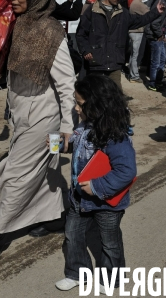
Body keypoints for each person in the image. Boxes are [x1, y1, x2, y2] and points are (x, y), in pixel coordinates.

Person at [0, 0, 76, 261]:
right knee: (48, 166)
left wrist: (67, 126)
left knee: (11, 175)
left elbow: (66, 83)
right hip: (23, 116)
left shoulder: (52, 32)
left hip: (45, 121)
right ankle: (54, 217)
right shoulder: (17, 24)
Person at [54, 74, 136, 292]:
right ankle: (77, 272)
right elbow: (77, 146)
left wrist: (98, 187)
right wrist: (59, 146)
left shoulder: (116, 137)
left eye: (80, 104)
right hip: (80, 197)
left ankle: (111, 278)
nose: (76, 109)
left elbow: (126, 171)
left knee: (109, 242)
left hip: (106, 202)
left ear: (97, 105)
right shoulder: (85, 126)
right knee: (72, 235)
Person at [76, 0, 164, 94]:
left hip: (114, 62)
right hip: (95, 62)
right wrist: (85, 50)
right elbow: (81, 33)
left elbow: (140, 20)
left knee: (116, 95)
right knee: (95, 95)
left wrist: (156, 12)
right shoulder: (92, 11)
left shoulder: (123, 13)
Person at [145, 0, 166, 91]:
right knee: (156, 61)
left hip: (158, 37)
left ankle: (158, 81)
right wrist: (160, 35)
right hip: (155, 37)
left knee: (161, 59)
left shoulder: (162, 2)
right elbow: (155, 23)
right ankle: (152, 83)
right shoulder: (161, 4)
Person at [128, 0, 150, 83]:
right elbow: (150, 13)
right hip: (136, 32)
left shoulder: (135, 2)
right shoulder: (138, 4)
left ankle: (132, 74)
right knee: (135, 55)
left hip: (134, 32)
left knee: (133, 54)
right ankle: (134, 76)